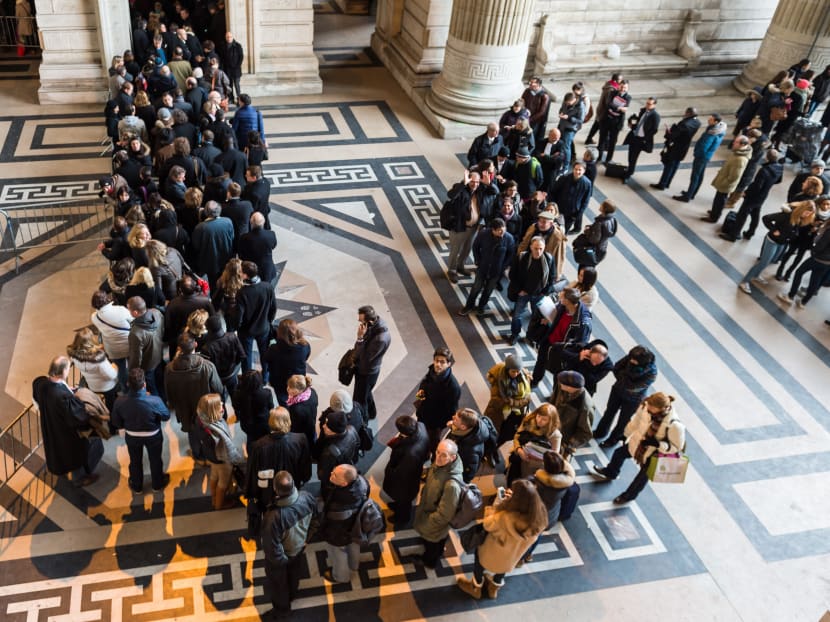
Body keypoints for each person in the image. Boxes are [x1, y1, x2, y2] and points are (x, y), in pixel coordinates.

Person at [456, 479, 547, 600]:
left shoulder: (505, 517)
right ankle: (494, 588)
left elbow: (487, 524)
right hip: (512, 557)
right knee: (502, 569)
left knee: (479, 562)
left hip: (491, 553)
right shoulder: (540, 517)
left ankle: (475, 587)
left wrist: (499, 504)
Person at [592, 393, 686, 504]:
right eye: (649, 406)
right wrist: (625, 434)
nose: (649, 409)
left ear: (662, 408)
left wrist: (658, 444)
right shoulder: (645, 406)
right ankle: (611, 472)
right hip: (637, 444)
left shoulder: (674, 425)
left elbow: (677, 447)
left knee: (641, 479)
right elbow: (636, 422)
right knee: (618, 453)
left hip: (653, 454)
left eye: (652, 409)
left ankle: (627, 496)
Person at [33, 356, 104, 486]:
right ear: (63, 372)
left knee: (58, 452)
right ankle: (80, 478)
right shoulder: (62, 397)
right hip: (65, 433)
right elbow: (78, 417)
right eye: (67, 369)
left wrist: (66, 389)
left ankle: (64, 472)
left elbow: (38, 387)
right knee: (73, 454)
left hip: (51, 426)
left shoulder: (42, 384)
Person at [261, 471, 316, 616]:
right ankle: (292, 593)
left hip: (283, 557)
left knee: (279, 585)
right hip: (299, 549)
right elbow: (316, 520)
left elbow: (272, 548)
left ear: (275, 489)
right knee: (294, 574)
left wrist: (283, 560)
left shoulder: (273, 517)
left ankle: (282, 611)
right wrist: (306, 540)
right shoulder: (307, 497)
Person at [165, 333, 224, 461]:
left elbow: (169, 392)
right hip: (206, 408)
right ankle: (212, 456)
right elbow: (218, 389)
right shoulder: (207, 366)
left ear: (179, 348)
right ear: (196, 344)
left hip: (184, 408)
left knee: (192, 433)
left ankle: (198, 455)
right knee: (209, 432)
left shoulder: (169, 368)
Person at [245, 407, 312, 521]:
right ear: (288, 421)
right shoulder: (300, 439)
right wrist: (304, 478)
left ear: (270, 421)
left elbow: (253, 472)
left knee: (269, 515)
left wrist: (252, 493)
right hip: (291, 484)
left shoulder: (258, 446)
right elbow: (305, 465)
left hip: (268, 491)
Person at [111, 368, 171, 493]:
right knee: (155, 459)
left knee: (135, 461)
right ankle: (157, 484)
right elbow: (166, 416)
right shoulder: (155, 400)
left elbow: (116, 421)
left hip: (132, 436)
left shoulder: (119, 401)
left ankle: (136, 485)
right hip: (153, 435)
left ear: (128, 384)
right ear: (144, 385)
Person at [738, 201, 816, 294]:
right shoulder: (787, 215)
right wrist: (773, 229)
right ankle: (745, 281)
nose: (807, 215)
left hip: (782, 243)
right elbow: (766, 218)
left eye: (809, 214)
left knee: (772, 260)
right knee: (763, 262)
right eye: (806, 213)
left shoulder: (800, 219)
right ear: (801, 210)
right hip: (772, 241)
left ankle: (756, 275)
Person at [593, 345, 658, 448]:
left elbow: (634, 387)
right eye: (630, 358)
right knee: (609, 412)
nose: (631, 360)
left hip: (633, 399)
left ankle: (612, 440)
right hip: (617, 391)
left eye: (634, 360)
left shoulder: (652, 372)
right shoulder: (632, 357)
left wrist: (623, 376)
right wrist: (624, 378)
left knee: (623, 421)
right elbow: (616, 367)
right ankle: (600, 432)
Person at [413, 439, 464, 569]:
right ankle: (438, 549)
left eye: (444, 455)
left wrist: (428, 523)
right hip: (428, 512)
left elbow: (444, 514)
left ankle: (429, 562)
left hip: (433, 522)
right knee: (437, 541)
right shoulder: (440, 466)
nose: (438, 457)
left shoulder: (451, 485)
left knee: (432, 545)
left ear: (452, 458)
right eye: (438, 452)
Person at [442, 169, 498, 283]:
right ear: (468, 180)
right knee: (455, 250)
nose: (475, 184)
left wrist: (489, 184)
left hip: (473, 227)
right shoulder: (461, 188)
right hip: (459, 227)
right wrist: (464, 183)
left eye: (477, 182)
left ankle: (460, 266)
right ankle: (452, 270)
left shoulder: (480, 190)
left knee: (467, 249)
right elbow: (451, 195)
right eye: (472, 181)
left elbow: (495, 192)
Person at [530, 288, 593, 387]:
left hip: (561, 350)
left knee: (558, 373)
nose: (559, 296)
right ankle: (534, 381)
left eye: (562, 296)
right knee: (540, 362)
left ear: (567, 301)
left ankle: (555, 394)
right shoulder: (563, 307)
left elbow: (580, 343)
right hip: (549, 340)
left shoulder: (583, 322)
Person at [522, 450, 576, 562]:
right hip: (550, 515)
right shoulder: (566, 481)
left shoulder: (538, 481)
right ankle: (527, 556)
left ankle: (521, 556)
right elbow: (568, 469)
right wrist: (559, 461)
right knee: (537, 536)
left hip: (534, 513)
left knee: (526, 537)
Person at [320, 464, 369, 583]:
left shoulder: (339, 501)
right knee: (354, 544)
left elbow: (331, 522)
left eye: (335, 475)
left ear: (344, 484)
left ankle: (341, 577)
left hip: (340, 531)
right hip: (357, 525)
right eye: (333, 471)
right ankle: (354, 565)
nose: (331, 475)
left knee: (338, 552)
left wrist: (325, 532)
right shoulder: (362, 482)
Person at [720, 149, 783, 242]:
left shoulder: (764, 170)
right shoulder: (780, 167)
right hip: (763, 195)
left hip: (753, 197)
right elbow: (778, 180)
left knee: (742, 215)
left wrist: (746, 192)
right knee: (755, 214)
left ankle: (733, 235)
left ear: (767, 158)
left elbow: (757, 185)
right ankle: (750, 233)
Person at [507, 233, 558, 345]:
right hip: (523, 293)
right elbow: (512, 275)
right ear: (531, 247)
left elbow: (552, 277)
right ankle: (514, 334)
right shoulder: (522, 257)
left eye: (541, 249)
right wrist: (519, 290)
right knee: (516, 316)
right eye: (536, 248)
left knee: (536, 319)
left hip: (538, 295)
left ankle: (530, 336)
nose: (538, 251)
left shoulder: (549, 259)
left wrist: (544, 292)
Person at [197, 392, 245, 510]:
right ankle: (219, 504)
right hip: (222, 460)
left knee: (214, 476)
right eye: (220, 405)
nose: (222, 405)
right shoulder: (215, 432)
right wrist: (235, 458)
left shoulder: (200, 420)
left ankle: (214, 498)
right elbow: (227, 448)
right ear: (213, 412)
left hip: (212, 457)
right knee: (223, 483)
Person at [459, 218, 515, 315]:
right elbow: (475, 246)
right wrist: (477, 260)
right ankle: (469, 306)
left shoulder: (509, 238)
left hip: (496, 271)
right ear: (493, 230)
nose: (503, 232)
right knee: (476, 288)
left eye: (504, 229)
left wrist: (503, 267)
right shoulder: (483, 234)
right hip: (483, 267)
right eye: (500, 231)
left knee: (488, 290)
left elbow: (510, 254)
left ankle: (481, 307)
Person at [383, 414, 430, 527]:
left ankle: (402, 518)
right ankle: (398, 505)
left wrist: (390, 471)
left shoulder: (410, 453)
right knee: (402, 498)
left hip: (406, 480)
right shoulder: (421, 426)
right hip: (415, 468)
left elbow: (401, 474)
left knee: (404, 499)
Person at [414, 346, 461, 457]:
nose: (438, 364)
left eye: (442, 362)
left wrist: (439, 426)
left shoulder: (453, 387)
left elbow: (451, 410)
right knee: (422, 433)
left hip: (435, 422)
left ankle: (432, 456)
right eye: (436, 361)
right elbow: (424, 387)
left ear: (449, 364)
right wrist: (420, 398)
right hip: (424, 413)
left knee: (432, 440)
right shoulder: (431, 373)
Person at [777, 211, 830, 308]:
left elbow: (820, 246)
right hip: (827, 263)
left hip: (817, 259)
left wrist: (813, 249)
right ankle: (803, 302)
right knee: (815, 280)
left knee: (799, 272)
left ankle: (790, 296)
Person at [236, 261, 277, 381]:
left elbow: (239, 315)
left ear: (245, 275)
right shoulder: (267, 287)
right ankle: (265, 377)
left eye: (241, 271)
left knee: (246, 356)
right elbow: (273, 307)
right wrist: (268, 321)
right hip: (263, 328)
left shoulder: (242, 292)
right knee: (264, 353)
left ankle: (247, 379)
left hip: (246, 331)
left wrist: (238, 327)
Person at [673, 113, 728, 202]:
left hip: (701, 156)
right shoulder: (719, 129)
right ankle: (692, 193)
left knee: (695, 176)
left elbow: (704, 146)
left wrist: (697, 153)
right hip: (706, 156)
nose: (708, 120)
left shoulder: (712, 133)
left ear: (716, 122)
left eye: (710, 119)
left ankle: (687, 196)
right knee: (699, 175)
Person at [482, 355, 532, 446]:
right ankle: (490, 452)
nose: (516, 374)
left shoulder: (524, 377)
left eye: (518, 371)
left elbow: (528, 397)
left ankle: (495, 449)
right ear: (507, 369)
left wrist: (512, 402)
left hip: (515, 414)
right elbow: (495, 400)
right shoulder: (498, 380)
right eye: (513, 371)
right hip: (498, 413)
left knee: (506, 435)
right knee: (492, 434)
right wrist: (514, 402)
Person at [352, 305, 391, 421]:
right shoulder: (376, 325)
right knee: (366, 392)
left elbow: (363, 357)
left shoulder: (380, 339)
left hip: (367, 371)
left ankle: (362, 421)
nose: (360, 324)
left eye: (361, 321)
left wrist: (360, 338)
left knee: (360, 399)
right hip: (368, 369)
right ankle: (372, 412)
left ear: (369, 321)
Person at [506, 403, 561, 485]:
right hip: (520, 456)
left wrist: (536, 457)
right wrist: (519, 450)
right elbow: (517, 436)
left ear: (550, 421)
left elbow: (554, 455)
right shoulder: (528, 420)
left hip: (535, 465)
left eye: (544, 419)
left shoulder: (554, 435)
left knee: (526, 484)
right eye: (538, 416)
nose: (539, 420)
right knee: (512, 478)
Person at [702, 135, 752, 223]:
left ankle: (714, 217)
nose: (733, 143)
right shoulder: (738, 152)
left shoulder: (740, 159)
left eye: (735, 142)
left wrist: (724, 183)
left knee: (720, 200)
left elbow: (734, 176)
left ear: (742, 144)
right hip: (724, 180)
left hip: (726, 184)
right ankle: (715, 212)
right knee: (718, 199)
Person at [66, 328, 119, 411]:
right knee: (122, 378)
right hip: (107, 387)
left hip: (91, 385)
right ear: (91, 340)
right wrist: (115, 366)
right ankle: (112, 413)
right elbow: (112, 376)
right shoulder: (98, 359)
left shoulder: (74, 356)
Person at [262, 318, 310, 406]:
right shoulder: (305, 346)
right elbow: (306, 357)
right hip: (297, 380)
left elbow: (265, 359)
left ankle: (285, 411)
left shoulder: (274, 349)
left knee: (282, 400)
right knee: (297, 399)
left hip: (279, 381)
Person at [549, 370, 597, 456]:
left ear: (570, 387)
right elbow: (553, 401)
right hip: (551, 429)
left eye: (562, 383)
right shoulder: (561, 387)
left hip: (565, 440)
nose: (559, 384)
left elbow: (585, 432)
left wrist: (569, 445)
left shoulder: (585, 406)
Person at [651, 107, 701, 191]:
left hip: (675, 147)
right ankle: (667, 183)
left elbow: (673, 135)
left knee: (669, 166)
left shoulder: (684, 124)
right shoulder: (697, 123)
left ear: (688, 113)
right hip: (684, 148)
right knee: (675, 166)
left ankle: (662, 184)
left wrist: (668, 132)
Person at [313, 410, 360, 498]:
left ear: (334, 431)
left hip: (333, 477)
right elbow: (357, 445)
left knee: (327, 491)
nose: (323, 426)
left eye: (327, 426)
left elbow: (324, 474)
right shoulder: (351, 430)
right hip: (346, 463)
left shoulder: (330, 452)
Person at [126, 295, 165, 397]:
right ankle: (164, 398)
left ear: (135, 312)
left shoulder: (136, 333)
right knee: (160, 381)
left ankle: (158, 404)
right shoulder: (157, 313)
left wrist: (133, 373)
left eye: (128, 309)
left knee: (152, 388)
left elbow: (135, 357)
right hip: (159, 356)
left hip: (148, 365)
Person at [200, 314, 246, 400]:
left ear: (208, 329)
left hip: (218, 378)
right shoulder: (232, 336)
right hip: (232, 373)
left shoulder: (206, 348)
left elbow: (208, 370)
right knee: (235, 396)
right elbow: (242, 356)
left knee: (220, 399)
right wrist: (234, 365)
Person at [191, 200, 235, 290]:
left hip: (209, 263)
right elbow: (232, 237)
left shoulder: (200, 227)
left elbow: (196, 246)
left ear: (206, 212)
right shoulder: (228, 221)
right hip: (226, 258)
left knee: (212, 284)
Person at [232, 370, 273, 451]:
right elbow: (271, 406)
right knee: (265, 440)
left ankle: (251, 455)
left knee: (251, 439)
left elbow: (236, 407)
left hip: (247, 423)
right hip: (263, 423)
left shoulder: (238, 394)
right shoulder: (266, 393)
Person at [622, 97, 660, 183]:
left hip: (641, 139)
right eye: (647, 103)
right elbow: (639, 122)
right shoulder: (643, 111)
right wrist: (633, 125)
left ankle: (629, 173)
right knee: (630, 155)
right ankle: (629, 169)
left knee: (633, 157)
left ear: (654, 105)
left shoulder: (655, 116)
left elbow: (654, 130)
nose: (647, 105)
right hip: (634, 136)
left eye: (649, 104)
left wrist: (645, 139)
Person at [548, 160, 593, 233]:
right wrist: (553, 206)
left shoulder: (587, 183)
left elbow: (585, 201)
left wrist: (578, 214)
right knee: (553, 228)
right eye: (576, 169)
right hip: (559, 209)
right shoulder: (564, 178)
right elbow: (553, 192)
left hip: (572, 213)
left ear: (584, 171)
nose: (577, 172)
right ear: (573, 169)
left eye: (580, 170)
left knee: (564, 231)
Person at [238, 211, 278, 287]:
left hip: (250, 269)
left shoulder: (244, 238)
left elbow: (241, 254)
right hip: (266, 269)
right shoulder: (271, 234)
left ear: (251, 223)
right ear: (264, 222)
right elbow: (273, 246)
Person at [286, 374, 318, 450]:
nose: (287, 389)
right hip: (311, 426)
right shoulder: (312, 392)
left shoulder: (297, 408)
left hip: (301, 434)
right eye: (288, 386)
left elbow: (295, 428)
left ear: (299, 390)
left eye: (291, 388)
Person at [521, 76, 551, 146]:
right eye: (530, 82)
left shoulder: (544, 96)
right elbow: (522, 101)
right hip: (525, 117)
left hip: (535, 121)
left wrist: (530, 119)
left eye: (532, 83)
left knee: (531, 136)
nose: (530, 84)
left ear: (538, 85)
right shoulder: (527, 91)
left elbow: (542, 112)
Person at [219, 32, 244, 100]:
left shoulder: (238, 45)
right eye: (227, 37)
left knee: (237, 85)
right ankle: (231, 98)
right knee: (229, 85)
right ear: (225, 37)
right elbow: (221, 58)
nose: (229, 38)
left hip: (236, 69)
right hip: (227, 69)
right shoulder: (223, 45)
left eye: (230, 37)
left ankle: (239, 99)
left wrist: (237, 66)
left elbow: (241, 57)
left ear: (232, 37)